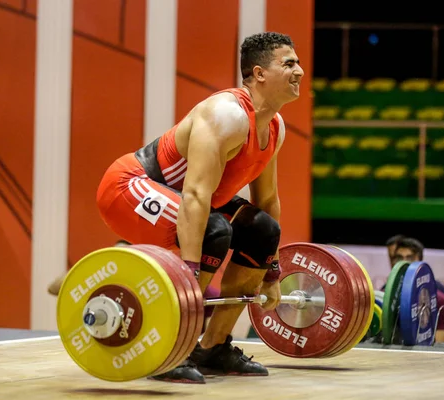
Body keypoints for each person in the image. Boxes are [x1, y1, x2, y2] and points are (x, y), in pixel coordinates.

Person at [65, 32, 303, 383]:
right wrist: (190, 277)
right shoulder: (226, 114)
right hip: (127, 187)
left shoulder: (274, 128)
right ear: (259, 73)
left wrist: (271, 271)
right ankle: (170, 348)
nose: (299, 70)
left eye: (298, 62)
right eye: (289, 63)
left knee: (262, 229)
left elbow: (266, 202)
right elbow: (194, 196)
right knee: (213, 231)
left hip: (184, 199)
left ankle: (213, 346)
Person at [392, 237, 444, 343]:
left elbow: (439, 346)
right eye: (399, 258)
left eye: (409, 258)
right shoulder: (386, 294)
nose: (404, 263)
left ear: (419, 261)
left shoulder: (440, 299)